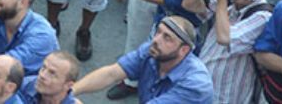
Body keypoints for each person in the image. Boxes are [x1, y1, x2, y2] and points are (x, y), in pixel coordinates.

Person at [72, 16, 214, 103]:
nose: (156, 40)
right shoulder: (153, 51)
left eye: (167, 37)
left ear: (184, 50)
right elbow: (112, 73)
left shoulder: (196, 85)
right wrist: (69, 92)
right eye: (158, 32)